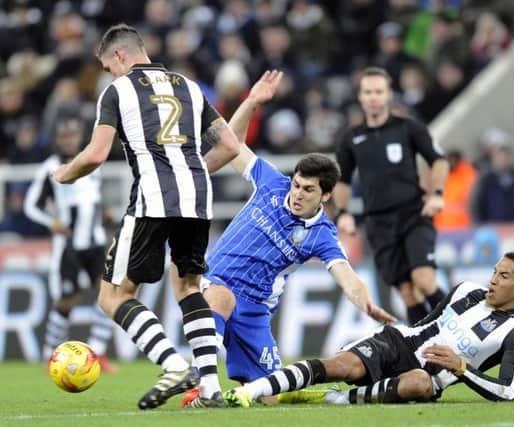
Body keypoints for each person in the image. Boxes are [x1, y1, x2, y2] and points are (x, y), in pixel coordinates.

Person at [51, 23, 241, 410]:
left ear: (120, 55)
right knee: (188, 286)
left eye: (108, 66)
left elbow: (95, 154)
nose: (109, 73)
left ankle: (173, 365)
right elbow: (231, 145)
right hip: (197, 200)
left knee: (114, 295)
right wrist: (191, 172)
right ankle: (210, 390)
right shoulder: (189, 86)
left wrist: (64, 173)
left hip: (153, 199)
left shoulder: (118, 91)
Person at [180, 70, 396, 407]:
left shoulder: (322, 235)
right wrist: (251, 102)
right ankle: (203, 386)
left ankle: (322, 397)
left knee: (272, 398)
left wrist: (366, 304)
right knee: (220, 297)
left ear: (325, 196)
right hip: (219, 282)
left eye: (308, 190)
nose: (297, 194)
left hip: (255, 312)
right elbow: (230, 144)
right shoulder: (270, 182)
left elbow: (347, 277)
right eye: (297, 184)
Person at [223, 251, 514, 407]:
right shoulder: (467, 290)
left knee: (417, 383)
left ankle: (333, 400)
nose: (494, 279)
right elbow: (425, 325)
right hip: (399, 342)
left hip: (429, 378)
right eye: (496, 271)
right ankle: (250, 391)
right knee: (340, 366)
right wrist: (392, 336)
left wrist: (460, 368)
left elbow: (507, 391)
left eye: (505, 276)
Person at [333, 66, 449, 325]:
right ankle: (425, 345)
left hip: (414, 214)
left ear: (388, 95)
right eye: (368, 92)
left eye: (378, 91)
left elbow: (439, 161)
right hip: (378, 223)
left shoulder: (409, 128)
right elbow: (341, 180)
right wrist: (343, 213)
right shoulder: (351, 139)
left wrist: (436, 194)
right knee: (407, 293)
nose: (373, 97)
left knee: (423, 279)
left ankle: (460, 327)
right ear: (360, 97)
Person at [23, 116, 116, 372]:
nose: (69, 140)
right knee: (67, 299)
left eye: (73, 135)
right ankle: (50, 354)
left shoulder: (90, 161)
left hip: (96, 242)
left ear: (79, 137)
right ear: (57, 139)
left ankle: (98, 352)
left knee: (107, 295)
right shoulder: (50, 168)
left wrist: (104, 212)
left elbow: (93, 196)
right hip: (69, 245)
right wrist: (53, 223)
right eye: (64, 136)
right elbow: (31, 205)